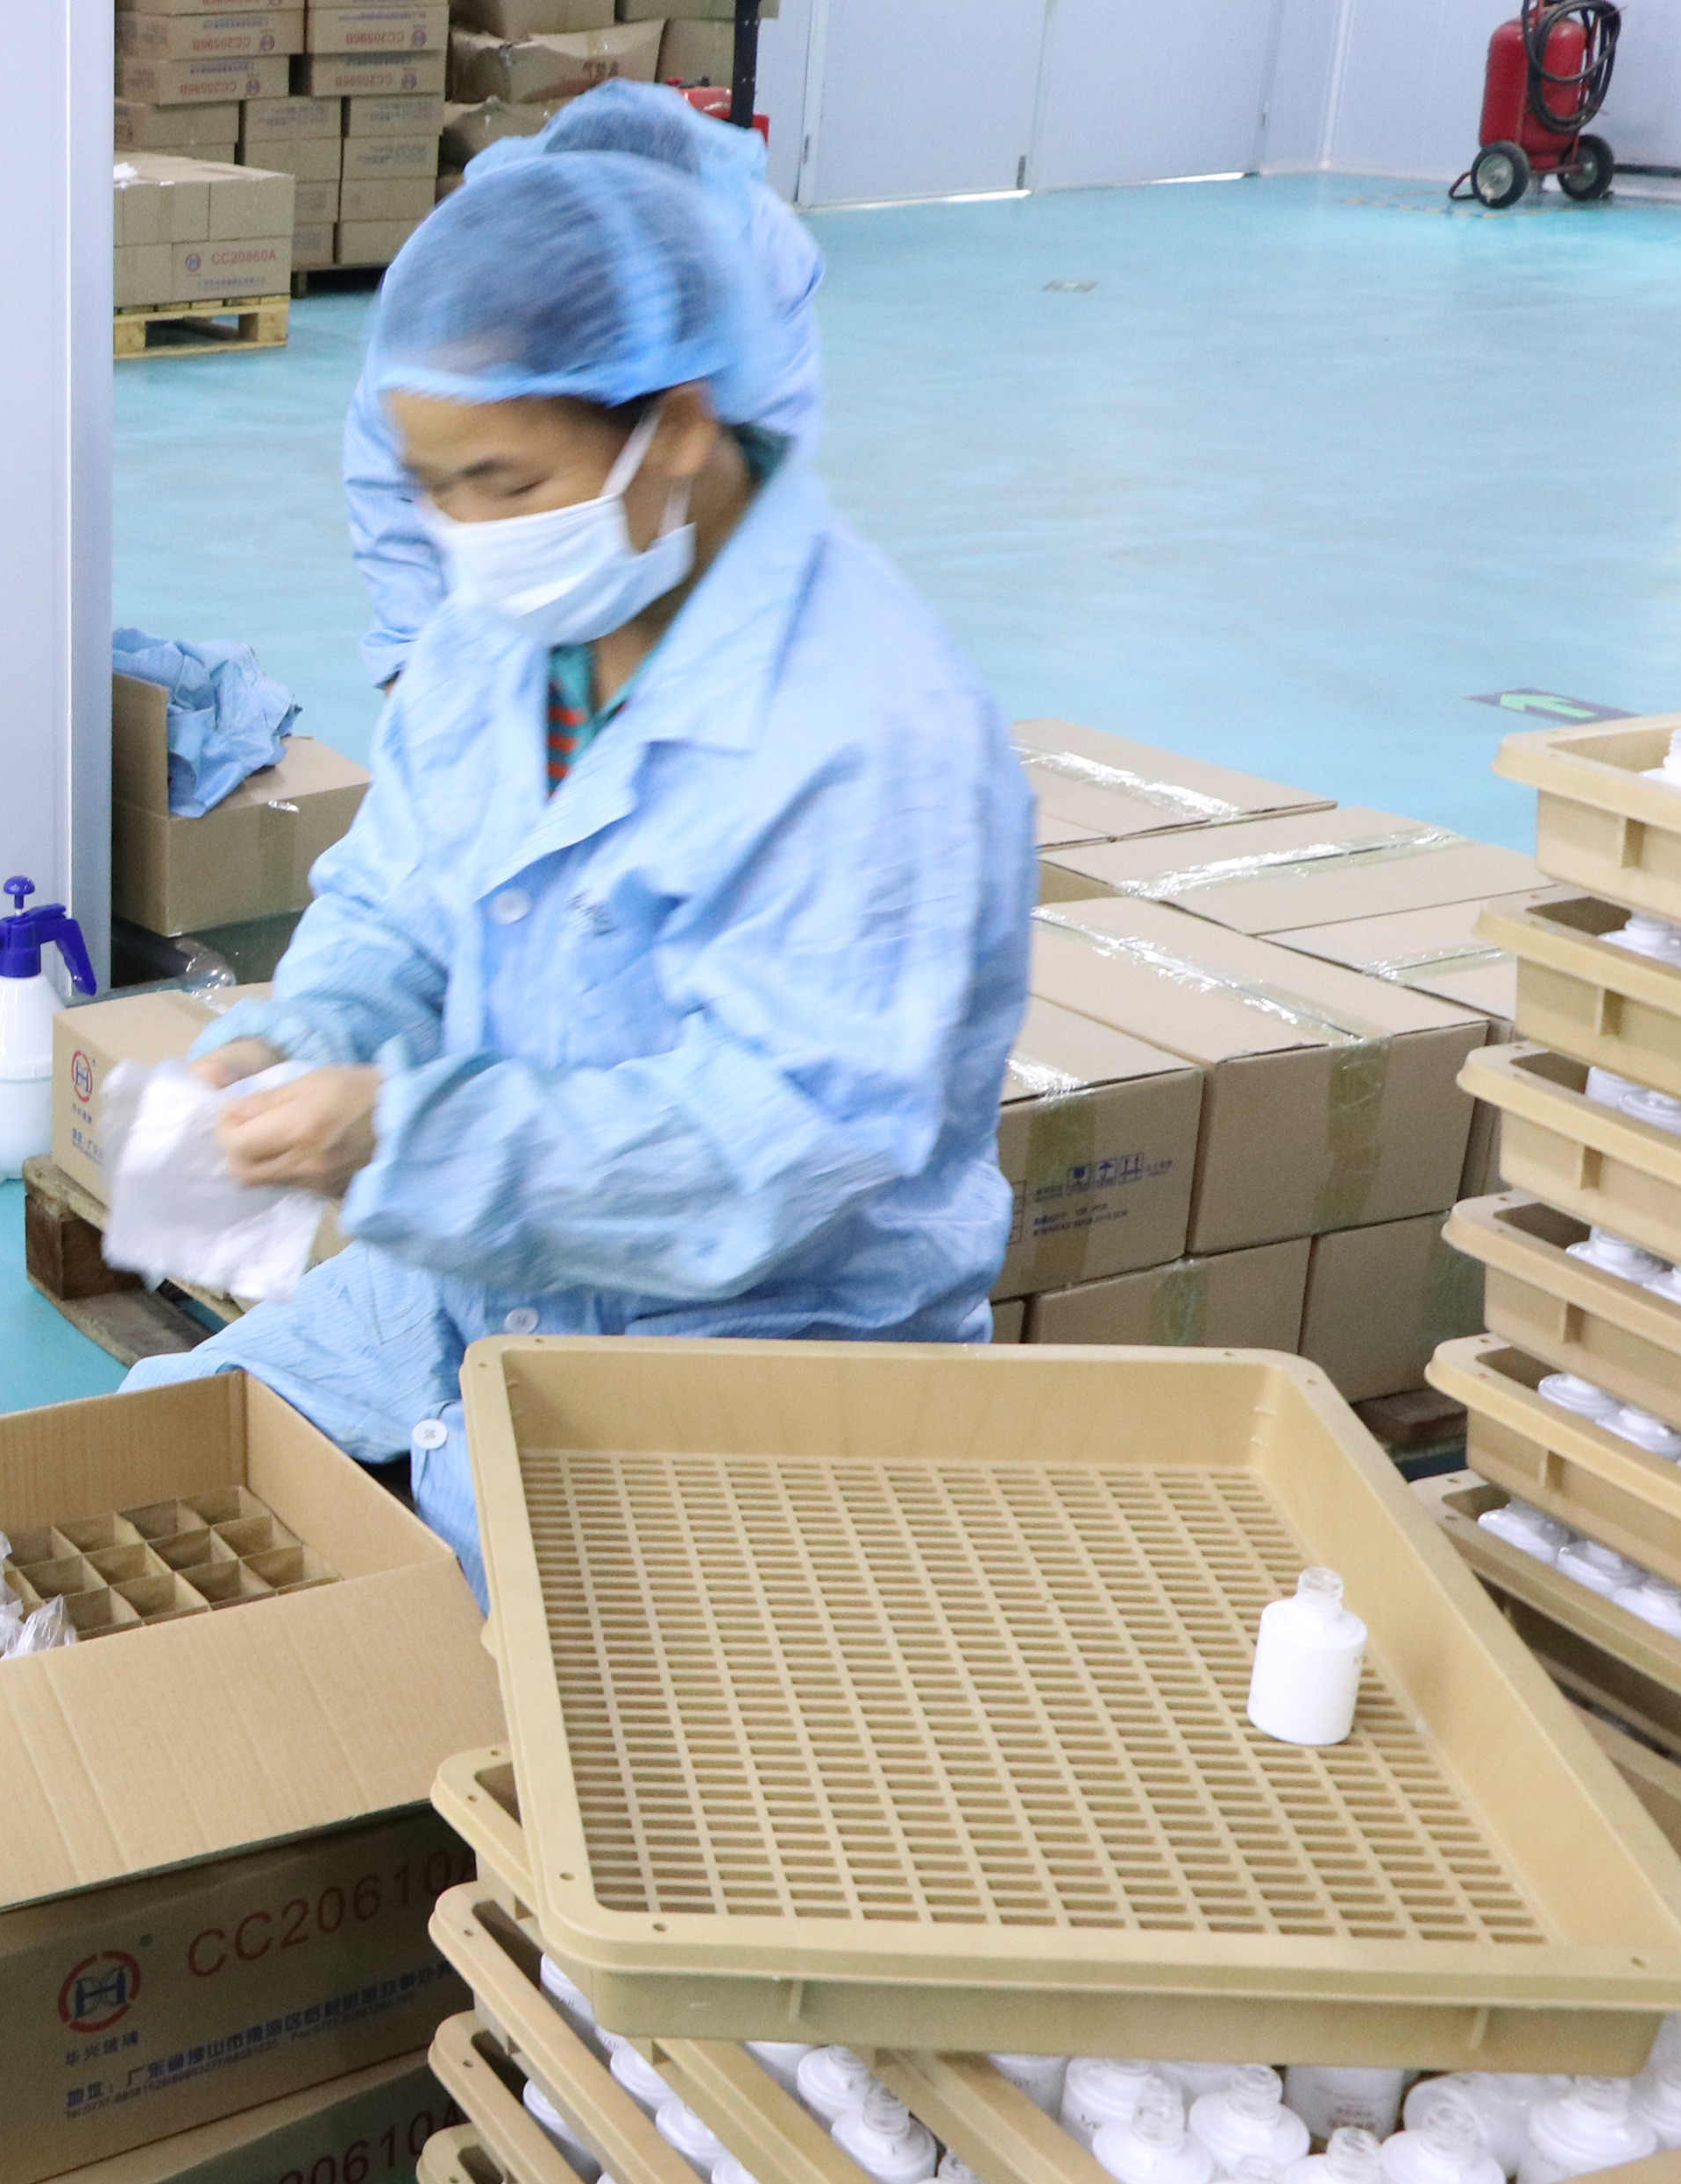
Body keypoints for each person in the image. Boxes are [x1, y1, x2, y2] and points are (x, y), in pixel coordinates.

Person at [124, 149, 1032, 1602]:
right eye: (433, 487)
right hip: (483, 1271)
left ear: (676, 428)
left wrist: (404, 1139)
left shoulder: (866, 732)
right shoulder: (502, 639)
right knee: (140, 1462)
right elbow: (401, 899)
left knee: (555, 1690)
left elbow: (776, 1143)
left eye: (507, 481)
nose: (470, 534)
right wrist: (304, 1037)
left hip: (755, 1336)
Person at [344, 82, 826, 689]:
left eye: (516, 486)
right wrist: (410, 652)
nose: (468, 517)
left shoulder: (759, 252)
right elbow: (387, 458)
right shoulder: (461, 271)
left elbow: (766, 448)